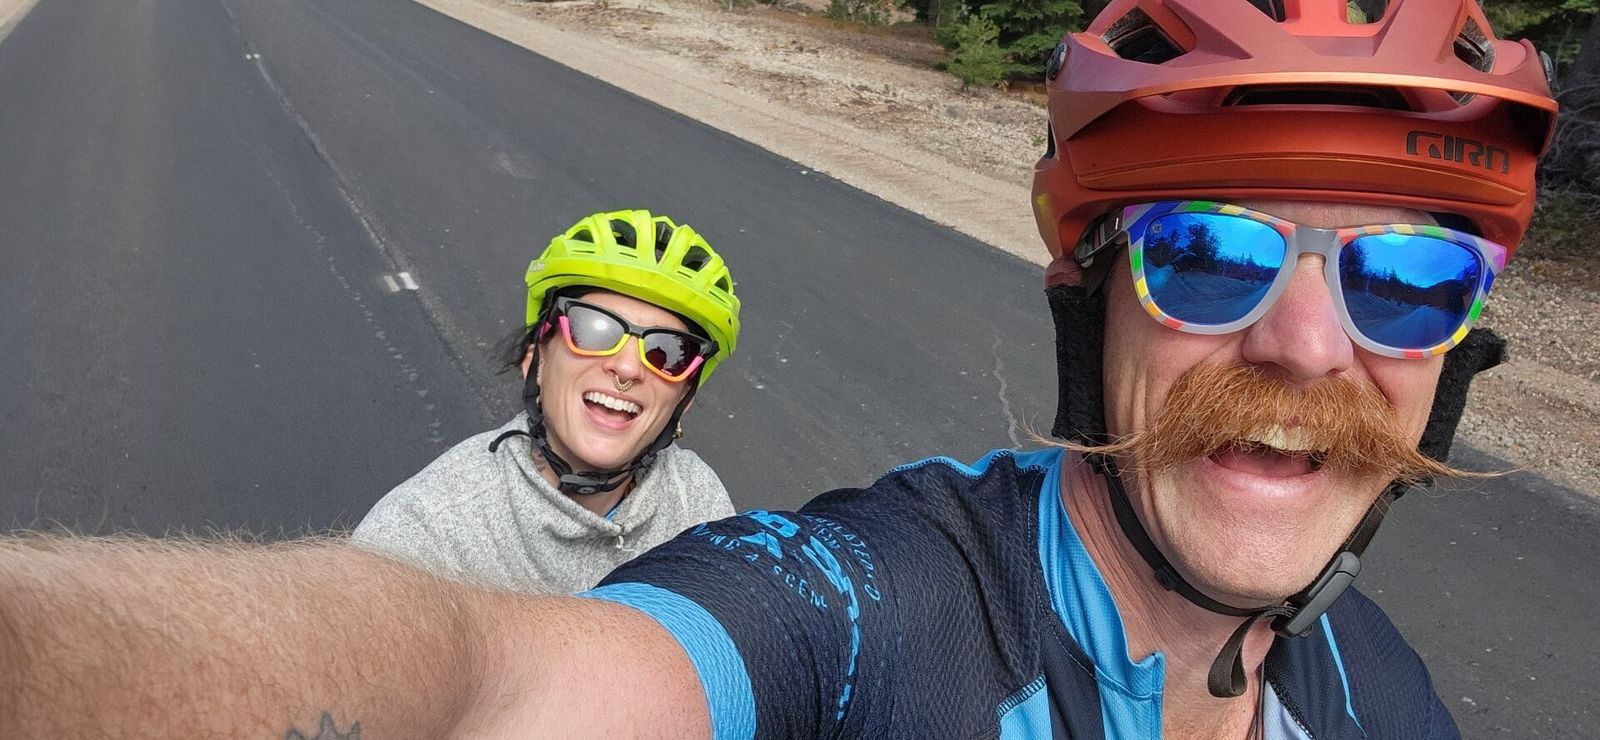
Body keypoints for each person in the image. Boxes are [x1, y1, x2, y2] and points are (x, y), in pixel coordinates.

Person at [0, 0, 1559, 737]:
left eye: (1407, 281)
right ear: (1087, 301)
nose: (1306, 344)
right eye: (1205, 254)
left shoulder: (1386, 699)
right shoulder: (874, 606)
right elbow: (481, 671)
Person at [352, 209, 741, 593]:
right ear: (535, 360)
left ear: (684, 398)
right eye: (593, 329)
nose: (627, 368)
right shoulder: (424, 538)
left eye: (668, 352)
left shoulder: (697, 504)